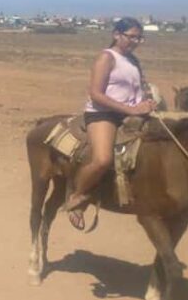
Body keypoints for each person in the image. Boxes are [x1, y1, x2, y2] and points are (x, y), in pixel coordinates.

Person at [66, 17, 156, 230]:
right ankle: (77, 197)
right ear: (117, 34)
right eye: (131, 36)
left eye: (139, 38)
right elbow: (96, 94)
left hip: (129, 114)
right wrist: (131, 109)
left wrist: (147, 102)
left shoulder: (133, 61)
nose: (135, 41)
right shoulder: (106, 58)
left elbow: (139, 90)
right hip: (103, 114)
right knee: (103, 159)